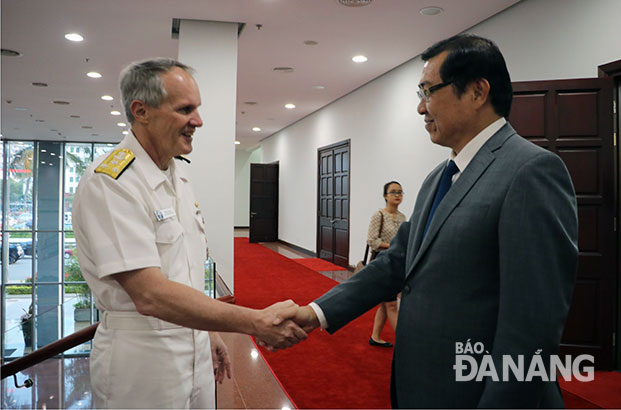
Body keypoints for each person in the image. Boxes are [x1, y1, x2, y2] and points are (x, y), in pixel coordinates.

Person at [287, 34, 578, 408]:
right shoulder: (437, 177)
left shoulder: (532, 172)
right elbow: (396, 263)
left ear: (477, 91)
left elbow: (532, 329)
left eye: (428, 91)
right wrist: (316, 313)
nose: (421, 108)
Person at [73, 58, 307, 409]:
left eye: (197, 109)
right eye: (185, 109)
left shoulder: (176, 176)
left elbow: (186, 273)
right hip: (143, 360)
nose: (198, 121)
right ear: (141, 111)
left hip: (193, 347)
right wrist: (254, 321)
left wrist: (207, 332)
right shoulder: (112, 181)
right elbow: (149, 294)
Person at [367, 181, 406, 348]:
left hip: (397, 263)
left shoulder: (403, 217)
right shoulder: (379, 215)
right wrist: (393, 246)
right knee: (391, 304)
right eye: (393, 192)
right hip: (382, 263)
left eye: (400, 192)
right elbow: (372, 241)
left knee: (385, 303)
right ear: (385, 196)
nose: (397, 195)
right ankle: (406, 345)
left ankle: (375, 337)